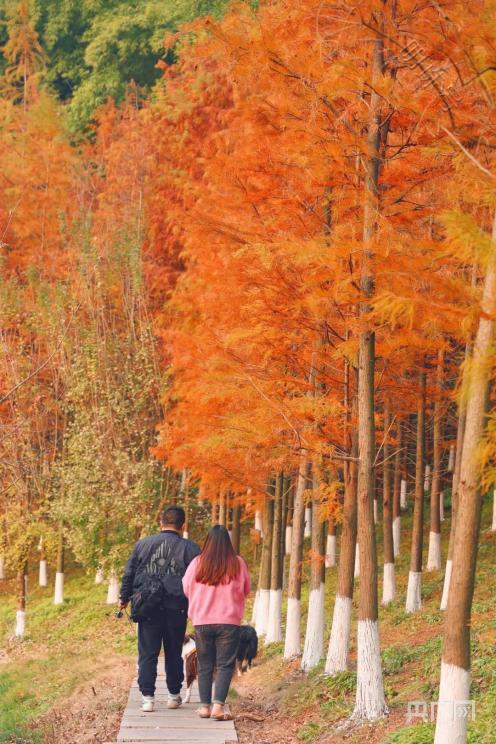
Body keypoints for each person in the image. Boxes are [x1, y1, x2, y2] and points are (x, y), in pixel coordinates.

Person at [119, 505, 200, 712]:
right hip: (177, 608)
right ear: (183, 525)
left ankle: (148, 698)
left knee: (148, 653)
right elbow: (199, 581)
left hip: (148, 608)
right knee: (173, 651)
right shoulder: (191, 549)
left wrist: (124, 598)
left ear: (160, 521)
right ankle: (174, 695)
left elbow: (129, 573)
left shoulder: (143, 545)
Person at [182, 524, 251, 721]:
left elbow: (186, 588)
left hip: (202, 621)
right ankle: (218, 706)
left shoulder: (197, 563)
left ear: (207, 542)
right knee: (225, 665)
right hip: (229, 622)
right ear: (228, 543)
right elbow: (246, 588)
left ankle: (204, 707)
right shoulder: (238, 563)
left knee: (204, 663)